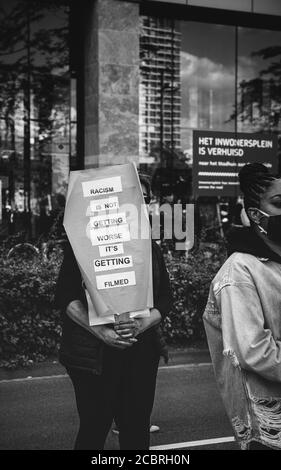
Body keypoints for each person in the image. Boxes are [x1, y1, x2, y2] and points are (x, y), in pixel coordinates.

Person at [54, 174, 173, 450]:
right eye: (132, 197)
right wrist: (102, 333)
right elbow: (65, 296)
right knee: (95, 428)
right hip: (94, 356)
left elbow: (165, 299)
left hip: (140, 352)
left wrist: (142, 326)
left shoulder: (149, 247)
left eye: (145, 200)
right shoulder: (85, 243)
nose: (139, 204)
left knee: (136, 430)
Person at [203, 162, 281, 450]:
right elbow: (253, 351)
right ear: (253, 214)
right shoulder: (239, 271)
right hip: (269, 427)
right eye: (278, 203)